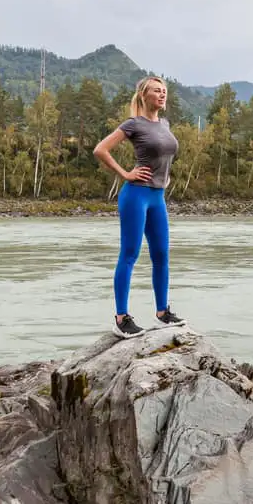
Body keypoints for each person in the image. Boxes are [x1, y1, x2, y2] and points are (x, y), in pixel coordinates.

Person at [93, 75, 185, 339]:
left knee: (161, 255)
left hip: (157, 197)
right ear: (144, 95)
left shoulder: (165, 123)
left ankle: (162, 313)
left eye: (164, 90)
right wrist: (126, 173)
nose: (162, 94)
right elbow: (101, 149)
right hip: (136, 195)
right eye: (157, 90)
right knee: (130, 254)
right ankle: (122, 318)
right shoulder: (133, 124)